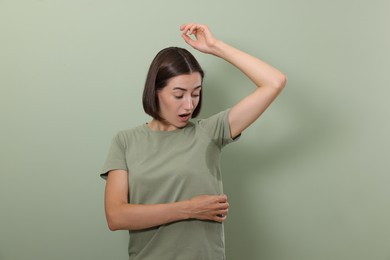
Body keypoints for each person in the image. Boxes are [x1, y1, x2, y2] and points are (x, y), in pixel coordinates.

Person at [100, 23, 286, 260]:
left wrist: (214, 46)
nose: (189, 105)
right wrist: (190, 208)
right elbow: (116, 216)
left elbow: (274, 82)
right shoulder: (125, 141)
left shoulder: (210, 131)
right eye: (178, 95)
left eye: (196, 93)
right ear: (155, 91)